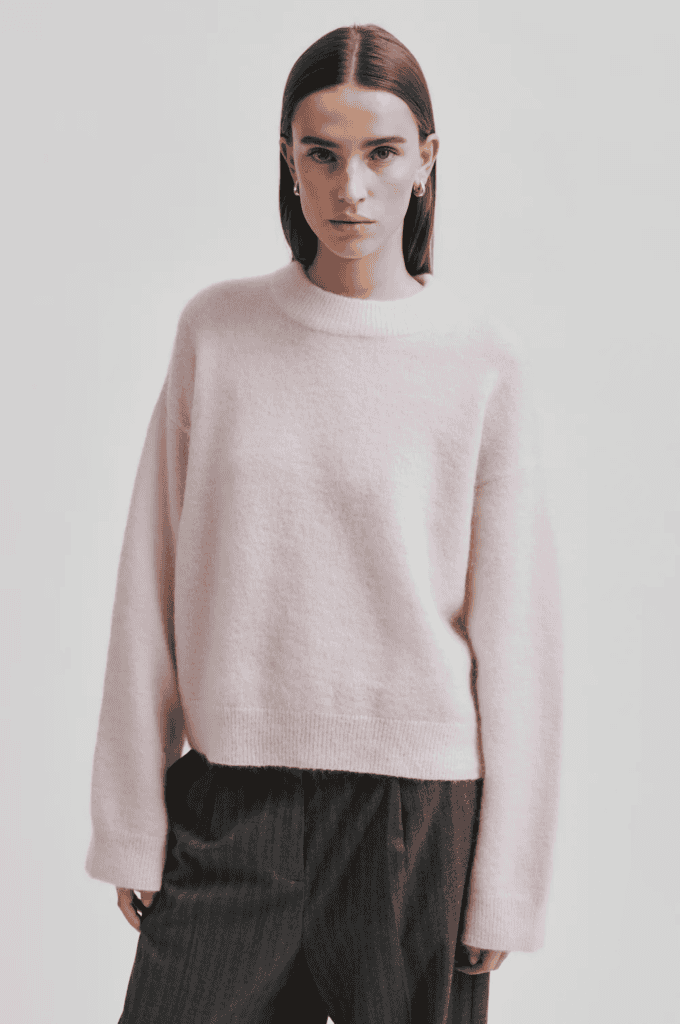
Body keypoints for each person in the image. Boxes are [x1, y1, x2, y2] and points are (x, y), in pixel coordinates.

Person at [86, 22, 562, 1024]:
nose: (351, 188)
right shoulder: (217, 333)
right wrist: (132, 818)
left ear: (425, 162)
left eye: (381, 152)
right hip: (233, 803)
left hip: (414, 819)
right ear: (287, 160)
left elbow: (516, 637)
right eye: (322, 153)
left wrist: (507, 879)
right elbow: (149, 583)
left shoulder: (479, 361)